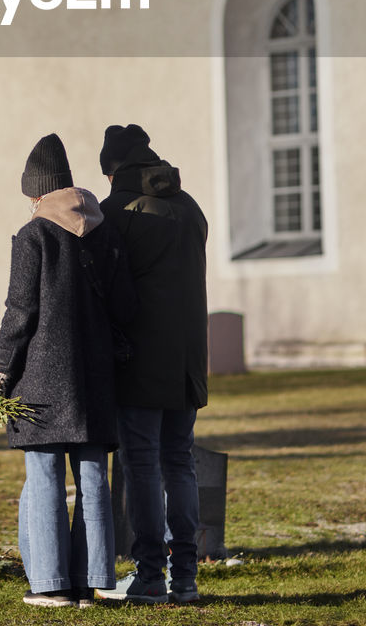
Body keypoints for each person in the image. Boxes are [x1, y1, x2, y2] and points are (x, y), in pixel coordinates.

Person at [0, 132, 136, 608]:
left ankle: (49, 585)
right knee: (92, 477)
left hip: (43, 381)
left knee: (45, 475)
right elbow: (126, 306)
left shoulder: (34, 237)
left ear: (37, 193)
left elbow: (19, 312)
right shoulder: (105, 232)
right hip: (97, 378)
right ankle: (90, 584)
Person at [94, 123, 208, 607]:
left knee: (140, 466)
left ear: (113, 168)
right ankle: (186, 577)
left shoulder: (115, 212)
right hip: (188, 360)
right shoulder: (190, 207)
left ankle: (149, 577)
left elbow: (106, 291)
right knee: (179, 463)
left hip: (139, 360)